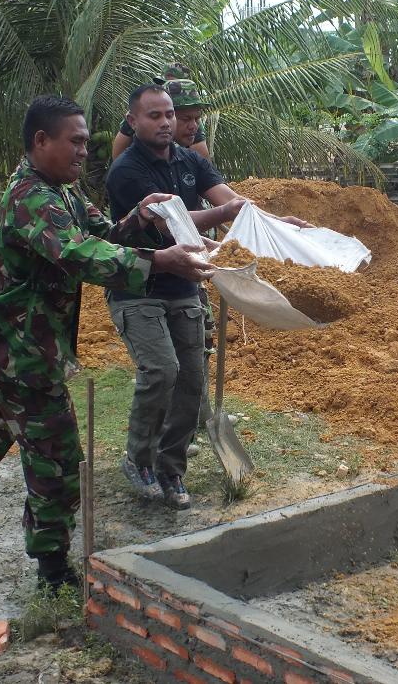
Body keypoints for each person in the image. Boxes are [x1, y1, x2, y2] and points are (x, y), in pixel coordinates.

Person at [0, 96, 213, 591]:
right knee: (58, 461)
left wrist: (140, 216)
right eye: (77, 141)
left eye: (87, 141)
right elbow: (79, 254)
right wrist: (159, 262)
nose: (85, 151)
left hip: (19, 345)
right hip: (23, 351)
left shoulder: (62, 192)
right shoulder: (31, 198)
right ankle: (52, 572)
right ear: (41, 141)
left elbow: (103, 233)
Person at [106, 83, 307, 509]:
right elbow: (170, 224)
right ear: (133, 121)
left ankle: (171, 468)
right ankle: (139, 458)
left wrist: (276, 224)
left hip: (185, 283)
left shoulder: (189, 160)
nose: (165, 123)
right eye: (154, 116)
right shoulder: (125, 172)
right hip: (138, 285)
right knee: (162, 370)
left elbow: (232, 201)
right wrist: (222, 215)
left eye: (169, 115)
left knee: (192, 379)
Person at [111, 64, 209, 160]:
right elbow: (119, 151)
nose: (163, 88)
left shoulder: (191, 121)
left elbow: (202, 160)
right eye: (162, 83)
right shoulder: (142, 113)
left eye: (174, 86)